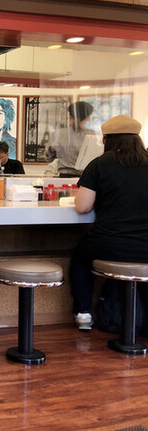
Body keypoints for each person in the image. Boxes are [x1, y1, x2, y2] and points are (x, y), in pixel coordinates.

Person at [70, 115, 148, 331]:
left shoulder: (100, 164)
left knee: (80, 258)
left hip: (111, 243)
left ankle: (83, 313)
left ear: (107, 140)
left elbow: (82, 206)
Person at [45, 101, 95, 177]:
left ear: (70, 117)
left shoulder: (58, 134)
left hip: (65, 176)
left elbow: (48, 157)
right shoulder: (93, 134)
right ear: (88, 118)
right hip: (87, 176)